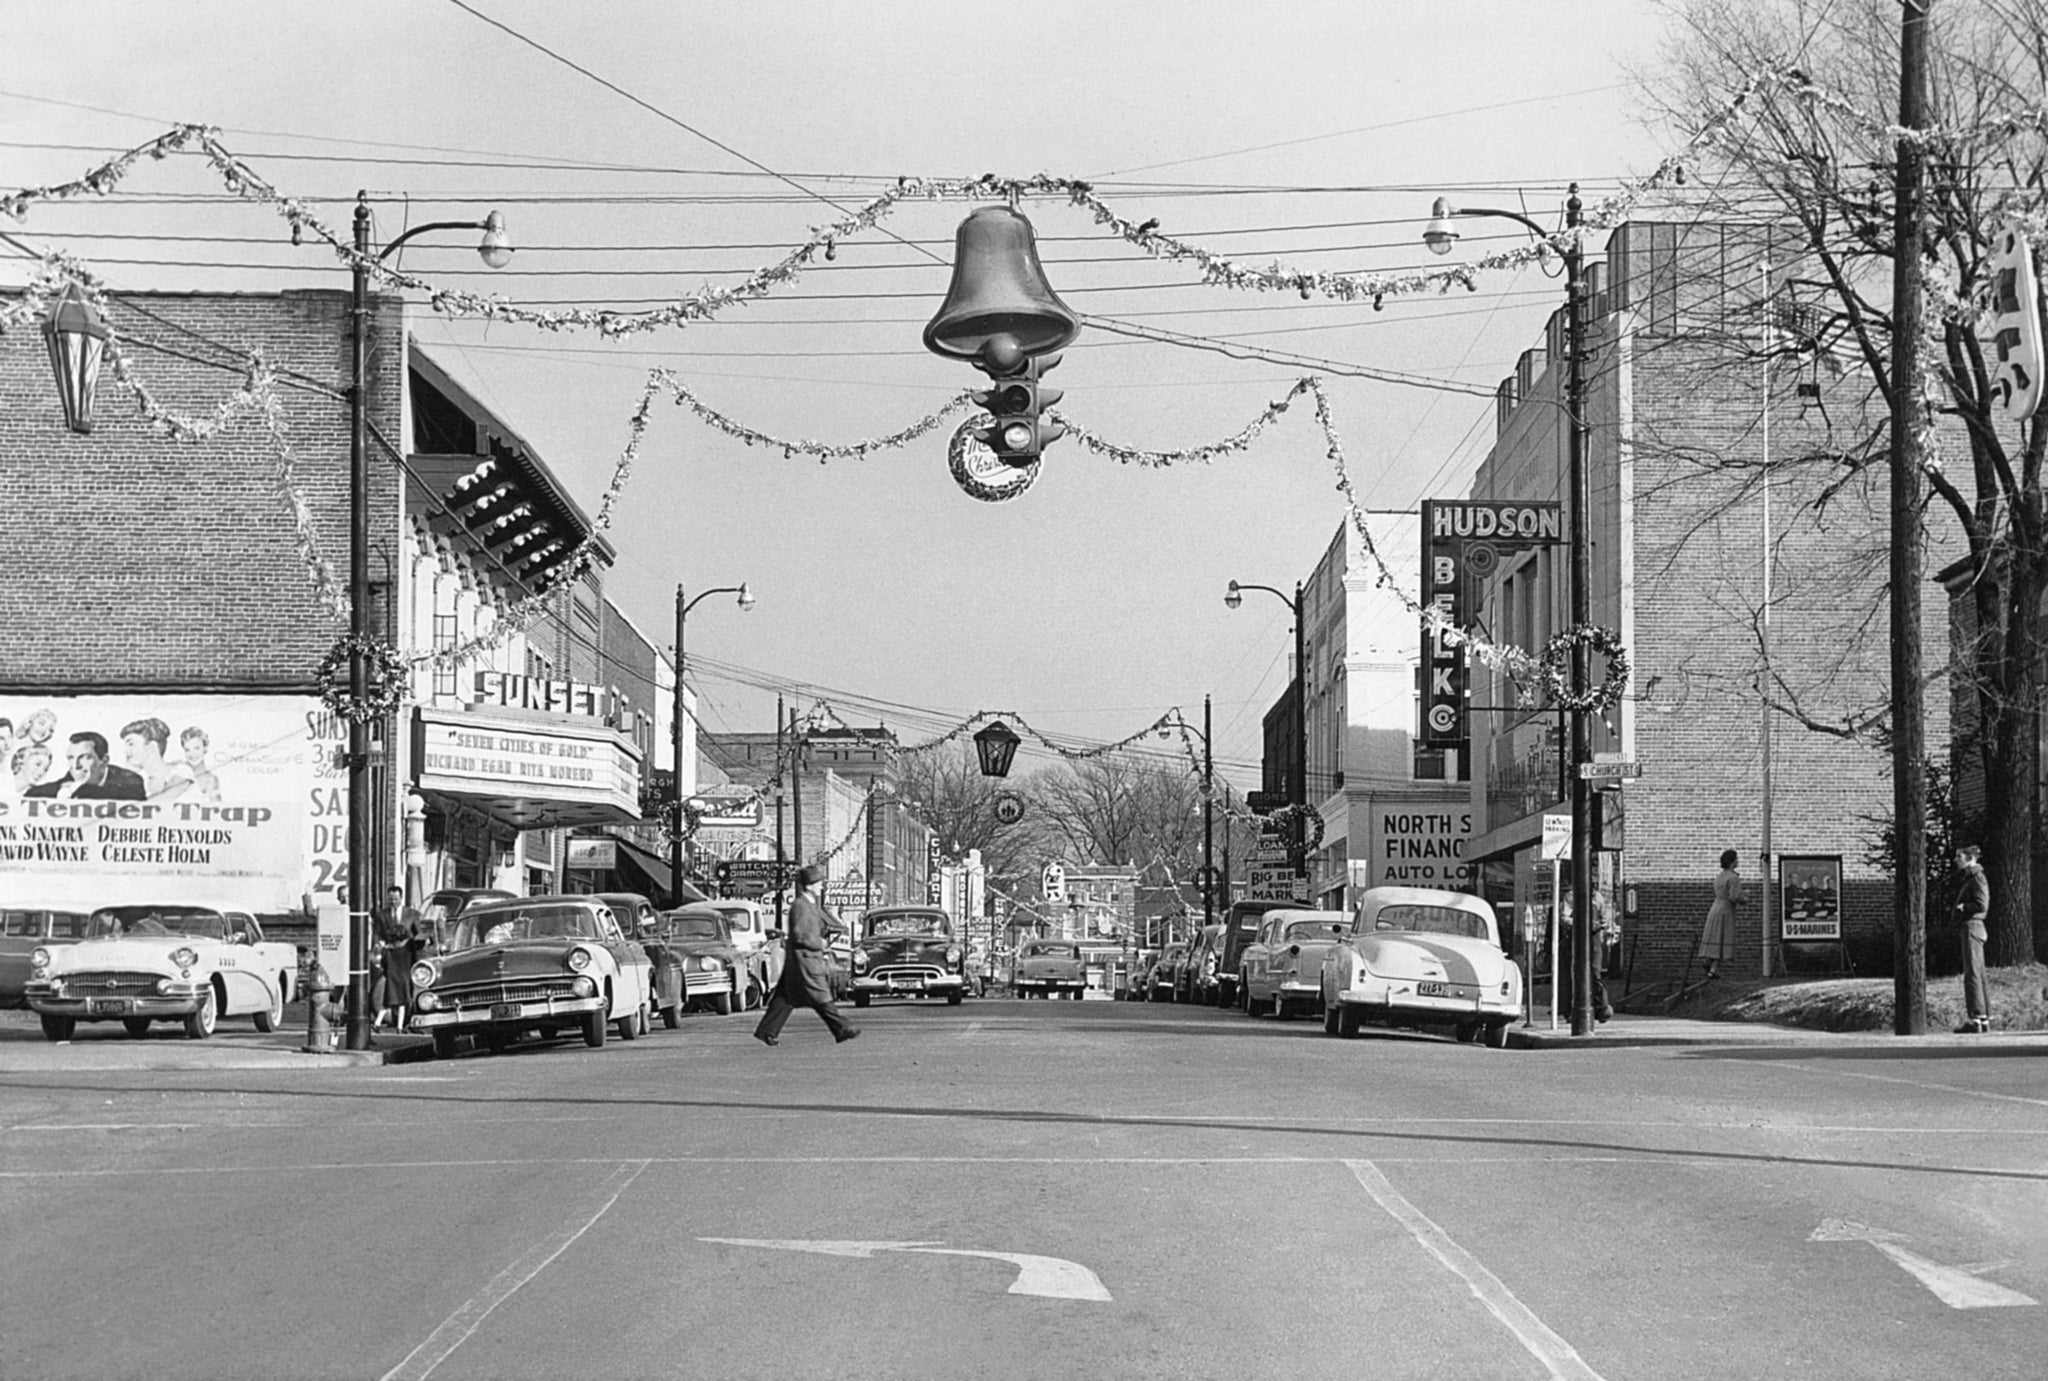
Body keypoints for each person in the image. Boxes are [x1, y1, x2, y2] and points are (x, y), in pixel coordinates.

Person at [752, 862, 860, 1047]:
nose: (821, 886)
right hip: (805, 960)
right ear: (809, 885)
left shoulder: (810, 905)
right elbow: (801, 935)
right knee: (820, 996)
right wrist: (821, 943)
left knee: (785, 998)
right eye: (818, 883)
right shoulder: (801, 905)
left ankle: (767, 1031)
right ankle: (840, 1028)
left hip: (800, 960)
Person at [25, 731, 147, 800]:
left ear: (104, 761)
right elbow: (32, 795)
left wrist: (78, 789)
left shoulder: (130, 780)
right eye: (71, 758)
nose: (76, 766)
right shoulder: (72, 778)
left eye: (84, 757)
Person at [1952, 844, 1992, 1034]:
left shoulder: (1976, 878)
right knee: (1977, 972)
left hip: (1972, 926)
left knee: (1973, 973)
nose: (1956, 860)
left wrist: (1963, 908)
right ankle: (1982, 1017)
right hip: (1974, 927)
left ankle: (1976, 1016)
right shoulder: (1973, 878)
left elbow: (1981, 904)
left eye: (1959, 857)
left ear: (1970, 858)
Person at [371, 885, 420, 1031]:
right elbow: (377, 934)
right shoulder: (382, 915)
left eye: (396, 899)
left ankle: (403, 1022)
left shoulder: (412, 914)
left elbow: (418, 933)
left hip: (406, 955)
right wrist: (378, 946)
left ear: (401, 898)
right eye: (391, 899)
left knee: (404, 990)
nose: (393, 902)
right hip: (390, 955)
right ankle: (396, 1023)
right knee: (393, 990)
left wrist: (420, 943)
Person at [1698, 848, 1741, 980]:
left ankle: (1708, 961)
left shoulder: (1719, 877)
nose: (1738, 861)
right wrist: (1745, 897)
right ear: (1733, 861)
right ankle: (1714, 970)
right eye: (1737, 858)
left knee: (1714, 937)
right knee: (1723, 939)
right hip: (1726, 911)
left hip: (1715, 907)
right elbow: (1734, 897)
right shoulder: (1733, 878)